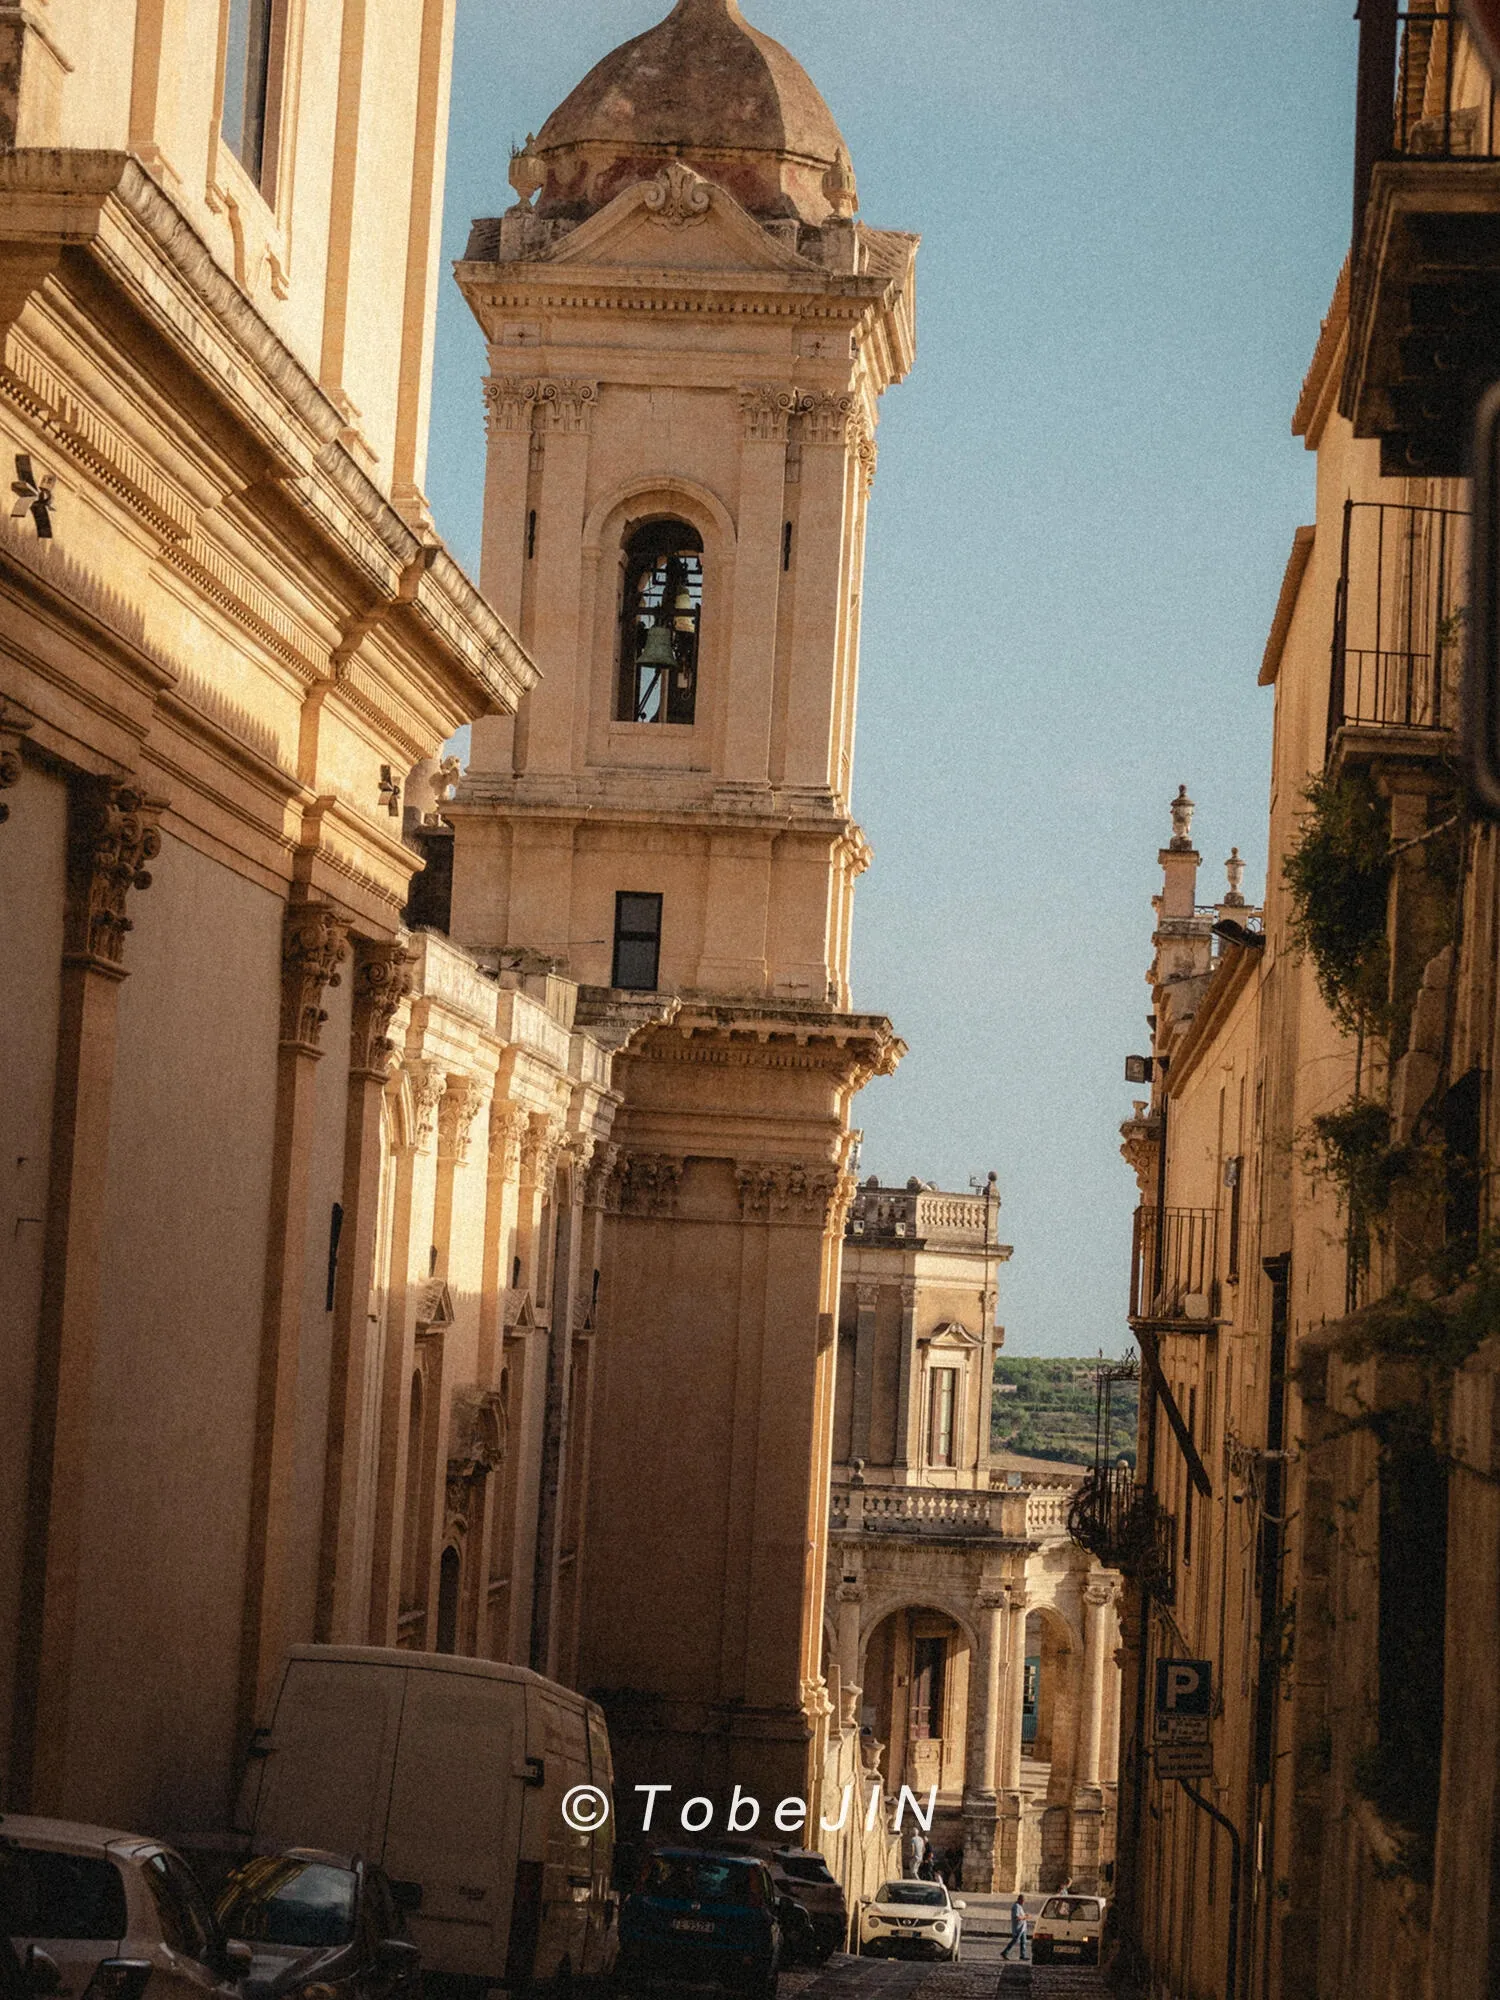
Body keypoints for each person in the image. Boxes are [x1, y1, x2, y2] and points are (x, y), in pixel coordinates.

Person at [1000, 1892, 1029, 1961]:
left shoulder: (1019, 1906)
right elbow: (1016, 1917)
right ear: (1019, 1900)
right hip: (1018, 1928)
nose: (1023, 1903)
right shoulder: (1016, 1906)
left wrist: (1025, 1916)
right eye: (1023, 1901)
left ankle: (1022, 1955)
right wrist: (1024, 1917)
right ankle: (1005, 1952)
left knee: (1023, 1942)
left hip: (1022, 1928)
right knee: (1014, 1941)